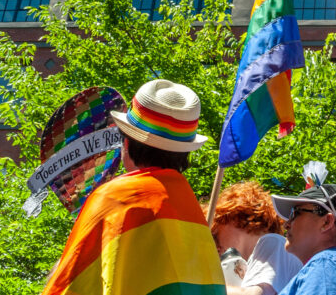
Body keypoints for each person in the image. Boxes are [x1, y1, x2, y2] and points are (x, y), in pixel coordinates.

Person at [43, 79, 225, 295]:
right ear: (185, 153)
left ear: (127, 143)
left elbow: (68, 288)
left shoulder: (114, 197)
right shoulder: (189, 205)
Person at [210, 181, 302, 295]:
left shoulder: (274, 242)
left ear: (234, 217)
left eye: (214, 233)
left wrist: (204, 286)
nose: (215, 246)